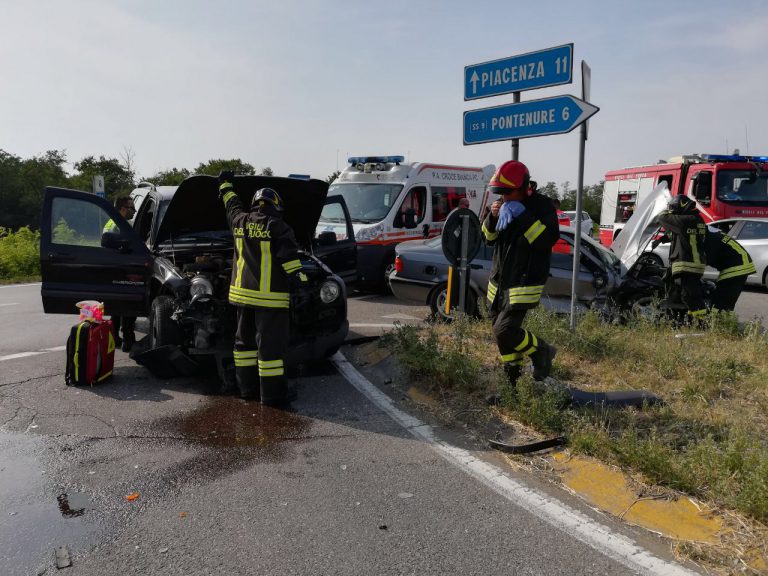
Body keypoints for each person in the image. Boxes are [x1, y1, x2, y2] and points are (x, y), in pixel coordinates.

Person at [218, 171, 308, 404]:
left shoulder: (239, 220)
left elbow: (231, 204)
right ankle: (272, 397)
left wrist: (225, 184)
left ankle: (247, 391)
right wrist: (302, 284)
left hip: (241, 297)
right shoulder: (279, 227)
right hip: (270, 300)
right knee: (270, 353)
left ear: (254, 204)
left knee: (244, 347)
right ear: (276, 205)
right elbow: (290, 262)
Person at [481, 160, 560, 386]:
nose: (503, 198)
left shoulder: (542, 206)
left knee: (504, 330)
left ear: (524, 187)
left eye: (508, 193)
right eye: (500, 194)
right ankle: (512, 386)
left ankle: (542, 350)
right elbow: (488, 238)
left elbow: (545, 241)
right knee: (502, 337)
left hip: (523, 284)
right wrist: (493, 217)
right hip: (498, 283)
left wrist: (523, 216)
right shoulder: (502, 203)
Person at [656, 195, 708, 321]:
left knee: (690, 297)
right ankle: (680, 320)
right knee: (677, 293)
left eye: (673, 208)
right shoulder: (695, 219)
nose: (672, 211)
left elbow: (662, 217)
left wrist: (665, 209)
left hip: (688, 265)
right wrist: (662, 239)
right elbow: (684, 235)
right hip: (692, 263)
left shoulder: (686, 220)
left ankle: (702, 323)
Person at [102, 196, 137, 352]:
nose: (134, 211)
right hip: (118, 268)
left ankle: (115, 338)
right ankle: (127, 340)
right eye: (131, 208)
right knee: (128, 305)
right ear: (123, 208)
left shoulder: (118, 223)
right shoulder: (116, 225)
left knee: (117, 308)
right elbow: (110, 244)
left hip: (116, 268)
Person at [703, 225, 755, 312]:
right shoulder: (713, 233)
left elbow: (708, 258)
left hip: (736, 266)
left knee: (721, 301)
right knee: (725, 301)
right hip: (739, 263)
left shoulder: (710, 238)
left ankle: (718, 322)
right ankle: (723, 319)